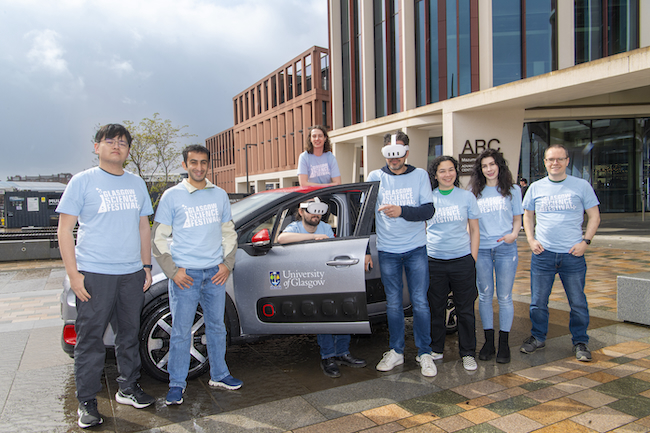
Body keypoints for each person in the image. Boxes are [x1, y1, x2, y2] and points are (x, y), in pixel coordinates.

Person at [56, 124, 155, 429]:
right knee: (90, 342)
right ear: (96, 147)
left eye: (122, 142)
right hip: (95, 275)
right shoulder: (82, 182)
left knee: (128, 335)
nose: (116, 146)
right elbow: (64, 229)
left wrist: (147, 266)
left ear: (128, 150)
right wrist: (74, 275)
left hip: (130, 274)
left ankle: (128, 387)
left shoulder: (137, 184)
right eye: (110, 141)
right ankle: (86, 402)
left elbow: (143, 227)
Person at [152, 144, 241, 406]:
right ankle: (177, 384)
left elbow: (229, 233)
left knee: (217, 327)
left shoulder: (220, 195)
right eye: (194, 163)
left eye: (203, 163)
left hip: (215, 273)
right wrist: (173, 271)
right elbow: (159, 238)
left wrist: (227, 264)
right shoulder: (172, 196)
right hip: (185, 276)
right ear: (185, 165)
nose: (199, 167)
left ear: (208, 165)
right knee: (181, 332)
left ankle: (220, 374)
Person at [365, 131, 437, 377]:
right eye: (389, 153)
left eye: (398, 153)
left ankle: (424, 353)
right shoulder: (374, 177)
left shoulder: (420, 175)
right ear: (384, 152)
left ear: (406, 151)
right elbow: (365, 218)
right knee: (393, 304)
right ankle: (396, 351)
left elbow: (428, 210)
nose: (394, 159)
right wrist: (365, 249)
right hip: (387, 250)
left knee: (420, 302)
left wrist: (402, 211)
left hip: (416, 248)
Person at [520, 144, 600, 362]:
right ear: (544, 162)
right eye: (550, 159)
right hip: (543, 254)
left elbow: (594, 216)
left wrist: (586, 241)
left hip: (572, 255)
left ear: (566, 161)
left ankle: (580, 341)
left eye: (559, 159)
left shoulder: (581, 186)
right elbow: (527, 216)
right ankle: (537, 337)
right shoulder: (536, 188)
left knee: (577, 302)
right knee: (538, 301)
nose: (554, 163)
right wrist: (530, 239)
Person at [278, 197, 367, 378]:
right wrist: (313, 237)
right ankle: (328, 357)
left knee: (345, 310)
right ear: (301, 211)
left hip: (329, 275)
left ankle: (342, 352)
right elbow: (282, 238)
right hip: (306, 280)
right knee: (323, 313)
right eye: (311, 210)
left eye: (319, 211)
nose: (316, 215)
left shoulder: (326, 228)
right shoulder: (295, 227)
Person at [468, 149, 523, 364]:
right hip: (481, 250)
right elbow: (470, 223)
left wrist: (513, 234)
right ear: (480, 170)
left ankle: (504, 344)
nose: (489, 169)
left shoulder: (513, 190)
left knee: (505, 297)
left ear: (500, 165)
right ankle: (489, 342)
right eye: (484, 166)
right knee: (484, 295)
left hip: (505, 249)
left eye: (492, 164)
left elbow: (518, 218)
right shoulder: (473, 191)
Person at [426, 156, 480, 371]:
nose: (447, 174)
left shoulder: (466, 197)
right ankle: (435, 349)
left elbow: (474, 230)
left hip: (462, 261)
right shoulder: (428, 198)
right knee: (435, 309)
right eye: (442, 171)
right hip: (434, 262)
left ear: (456, 172)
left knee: (465, 311)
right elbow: (422, 229)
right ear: (436, 174)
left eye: (451, 170)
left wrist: (471, 259)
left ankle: (468, 353)